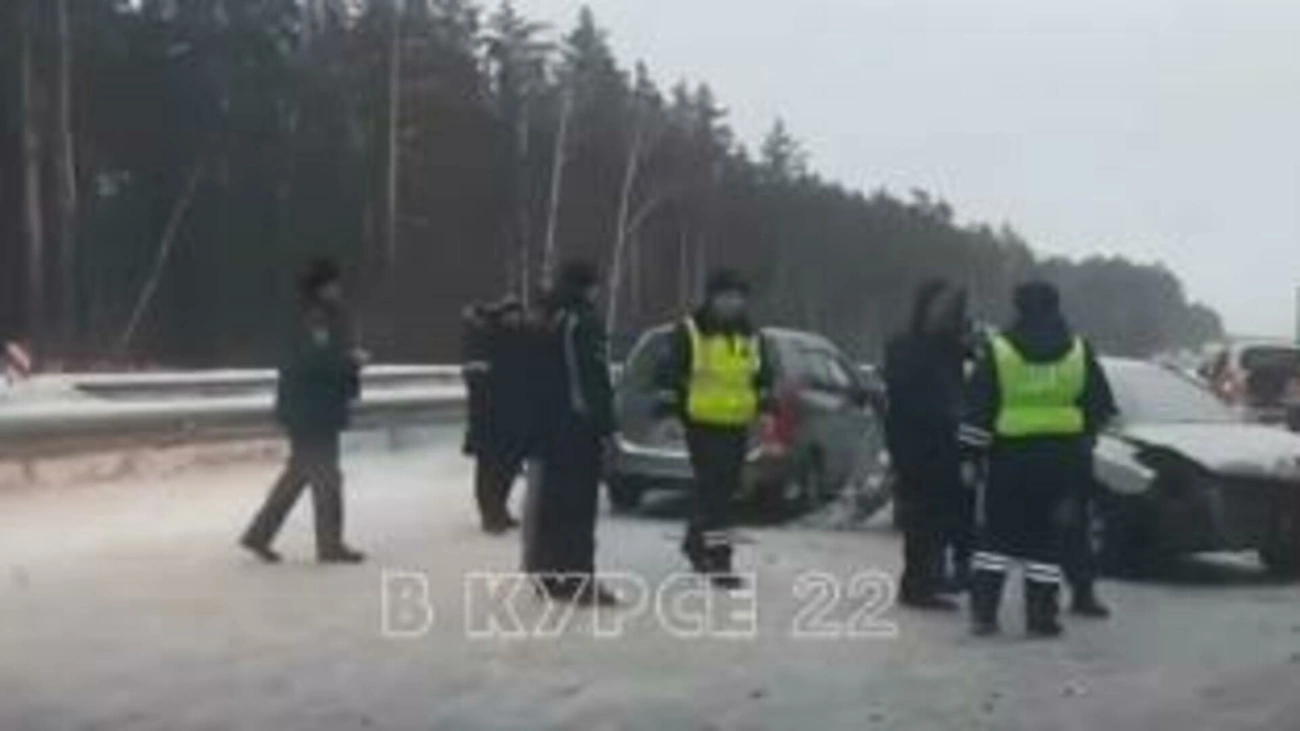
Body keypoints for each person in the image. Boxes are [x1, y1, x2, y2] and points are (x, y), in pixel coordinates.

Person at [960, 281, 1116, 637]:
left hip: (1010, 458)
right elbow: (1099, 406)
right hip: (1062, 460)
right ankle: (1041, 616)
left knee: (996, 537)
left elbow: (979, 407)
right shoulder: (1078, 350)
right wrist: (1082, 441)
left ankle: (984, 614)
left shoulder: (999, 351)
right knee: (1046, 538)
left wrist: (970, 456)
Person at [241, 259, 367, 564]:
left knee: (299, 474)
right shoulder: (315, 317)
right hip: (312, 409)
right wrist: (351, 361)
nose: (339, 288)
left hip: (309, 407)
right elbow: (314, 361)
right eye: (334, 283)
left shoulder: (311, 313)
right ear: (322, 287)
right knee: (327, 478)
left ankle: (259, 534)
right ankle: (330, 545)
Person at [657, 270, 772, 589]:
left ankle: (696, 542)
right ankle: (721, 561)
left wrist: (765, 410)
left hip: (737, 423)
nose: (733, 303)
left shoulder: (752, 335)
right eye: (726, 296)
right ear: (712, 298)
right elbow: (667, 373)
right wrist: (668, 414)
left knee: (719, 490)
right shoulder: (691, 331)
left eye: (738, 297)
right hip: (702, 422)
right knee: (718, 493)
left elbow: (763, 376)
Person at [521, 261, 619, 606]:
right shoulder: (582, 321)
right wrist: (606, 426)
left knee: (550, 503)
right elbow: (590, 377)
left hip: (544, 426)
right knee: (578, 507)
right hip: (577, 429)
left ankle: (546, 573)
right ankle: (578, 579)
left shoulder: (543, 317)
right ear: (587, 287)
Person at [884, 280, 969, 610]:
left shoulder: (951, 348)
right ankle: (918, 583)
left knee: (940, 513)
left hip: (944, 442)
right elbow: (905, 393)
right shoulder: (906, 347)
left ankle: (930, 577)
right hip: (915, 440)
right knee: (921, 515)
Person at [473, 297, 532, 534]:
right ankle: (490, 513)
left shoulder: (523, 339)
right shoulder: (487, 338)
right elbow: (478, 376)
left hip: (514, 412)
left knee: (509, 465)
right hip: (490, 413)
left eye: (518, 314)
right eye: (511, 314)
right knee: (490, 466)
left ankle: (500, 509)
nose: (515, 319)